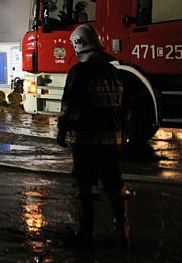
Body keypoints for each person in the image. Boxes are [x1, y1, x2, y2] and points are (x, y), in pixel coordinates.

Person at [56, 24, 131, 250]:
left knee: (86, 187)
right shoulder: (114, 72)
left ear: (79, 46)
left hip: (86, 142)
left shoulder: (80, 72)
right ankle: (123, 234)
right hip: (112, 143)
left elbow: (70, 106)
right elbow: (125, 109)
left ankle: (86, 235)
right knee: (115, 186)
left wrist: (62, 130)